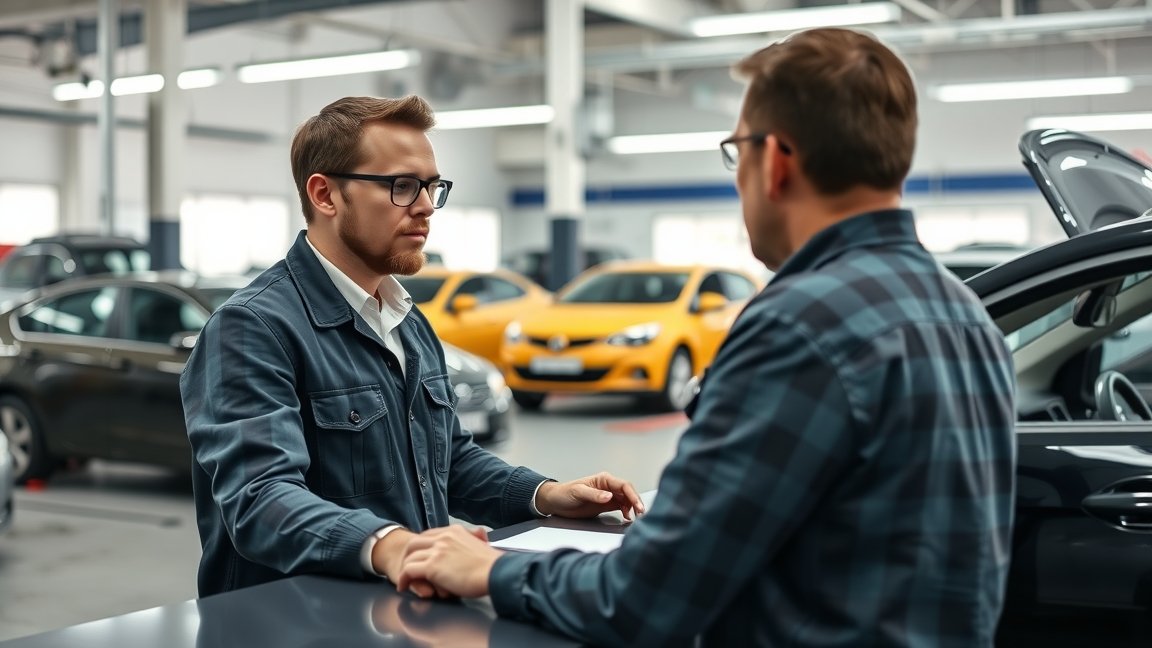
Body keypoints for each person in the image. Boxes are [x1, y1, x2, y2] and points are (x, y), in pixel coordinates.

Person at [397, 27, 1017, 647]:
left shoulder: (798, 326)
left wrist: (491, 569)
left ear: (775, 162)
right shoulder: (965, 314)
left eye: (736, 151)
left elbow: (647, 598)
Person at [180, 95, 643, 597]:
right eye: (401, 186)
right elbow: (260, 499)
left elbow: (448, 461)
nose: (425, 207)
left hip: (403, 608)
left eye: (432, 187)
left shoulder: (405, 319)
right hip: (290, 619)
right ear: (325, 195)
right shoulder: (252, 328)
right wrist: (394, 547)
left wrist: (544, 494)